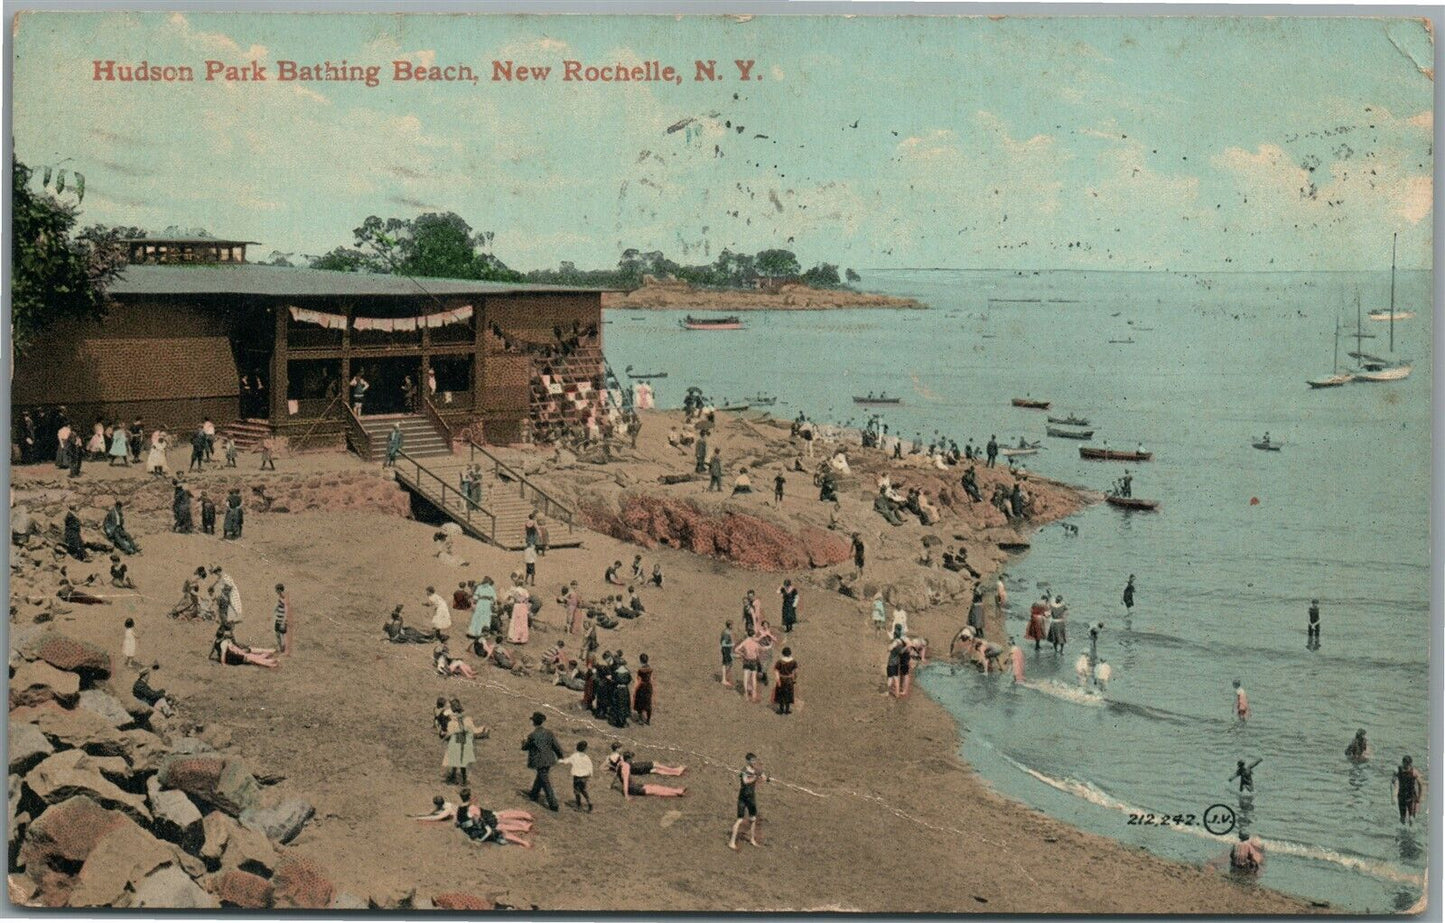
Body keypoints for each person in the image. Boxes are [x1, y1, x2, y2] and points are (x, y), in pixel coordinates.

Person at [522, 712, 563, 812]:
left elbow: (525, 747)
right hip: (549, 759)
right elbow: (556, 746)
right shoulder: (549, 733)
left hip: (539, 761)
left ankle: (553, 804)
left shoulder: (532, 735)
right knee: (541, 777)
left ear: (534, 722)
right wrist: (560, 756)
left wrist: (523, 742)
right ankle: (533, 794)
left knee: (545, 782)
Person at [729, 754, 767, 850]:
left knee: (753, 819)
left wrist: (763, 777)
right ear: (748, 761)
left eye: (755, 760)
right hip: (744, 797)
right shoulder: (744, 771)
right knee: (740, 819)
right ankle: (731, 842)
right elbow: (745, 781)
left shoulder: (756, 770)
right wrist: (755, 777)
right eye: (752, 760)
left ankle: (752, 839)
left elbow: (763, 777)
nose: (754, 762)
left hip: (751, 797)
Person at [443, 701, 485, 785]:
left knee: (454, 760)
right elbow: (472, 730)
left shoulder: (452, 723)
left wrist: (444, 738)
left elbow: (449, 734)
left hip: (455, 742)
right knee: (462, 762)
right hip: (464, 742)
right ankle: (464, 780)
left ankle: (453, 777)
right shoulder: (467, 719)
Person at [617, 752, 687, 800]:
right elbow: (625, 782)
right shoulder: (625, 767)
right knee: (655, 790)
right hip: (632, 789)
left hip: (633, 787)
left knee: (655, 788)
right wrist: (626, 795)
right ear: (628, 759)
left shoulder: (621, 764)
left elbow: (618, 776)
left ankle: (677, 792)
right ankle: (677, 792)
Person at [559, 740, 594, 812]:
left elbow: (567, 761)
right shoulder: (586, 757)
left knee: (576, 791)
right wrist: (590, 775)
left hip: (577, 777)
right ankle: (589, 802)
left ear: (577, 748)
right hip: (584, 777)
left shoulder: (575, 756)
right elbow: (590, 766)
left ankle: (579, 806)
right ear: (585, 749)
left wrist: (560, 761)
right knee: (583, 790)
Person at [1392, 756, 1424, 825]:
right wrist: (1393, 796)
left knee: (1411, 819)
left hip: (1411, 797)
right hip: (1401, 796)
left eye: (1407, 764)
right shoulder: (1397, 771)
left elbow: (1420, 785)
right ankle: (1402, 834)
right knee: (1402, 819)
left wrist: (1419, 797)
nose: (1406, 766)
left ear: (1410, 764)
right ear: (1402, 763)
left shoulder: (1414, 772)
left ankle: (1412, 833)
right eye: (1404, 763)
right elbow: (1392, 784)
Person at [735, 631, 764, 703]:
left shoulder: (745, 642)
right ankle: (754, 693)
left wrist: (742, 654)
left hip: (746, 660)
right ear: (753, 635)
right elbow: (758, 652)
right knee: (753, 677)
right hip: (753, 661)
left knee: (745, 677)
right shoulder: (755, 643)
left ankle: (746, 693)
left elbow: (736, 649)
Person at [772, 647, 798, 714]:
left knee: (781, 694)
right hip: (789, 679)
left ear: (783, 653)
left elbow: (776, 671)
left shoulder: (780, 662)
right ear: (790, 653)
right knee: (788, 694)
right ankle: (787, 709)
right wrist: (794, 678)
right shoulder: (793, 661)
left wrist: (778, 680)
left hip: (782, 679)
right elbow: (795, 672)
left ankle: (781, 709)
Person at [633, 653, 655, 725]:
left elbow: (639, 680)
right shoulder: (650, 669)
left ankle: (640, 719)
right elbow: (651, 679)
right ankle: (648, 720)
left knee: (640, 702)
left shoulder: (640, 670)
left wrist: (635, 689)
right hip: (648, 686)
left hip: (642, 687)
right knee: (648, 703)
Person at [273, 584, 290, 654]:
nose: (275, 591)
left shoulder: (284, 598)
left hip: (281, 620)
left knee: (281, 635)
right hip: (278, 619)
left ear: (279, 590)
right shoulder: (280, 597)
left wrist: (284, 621)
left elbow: (286, 610)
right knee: (278, 634)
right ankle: (281, 648)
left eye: (276, 590)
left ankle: (283, 650)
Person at [720, 621, 735, 687]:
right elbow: (723, 644)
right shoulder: (726, 633)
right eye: (732, 625)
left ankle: (724, 678)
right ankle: (724, 679)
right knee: (727, 664)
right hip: (726, 650)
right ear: (730, 625)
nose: (733, 626)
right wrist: (732, 644)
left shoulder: (726, 631)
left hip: (727, 650)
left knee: (727, 664)